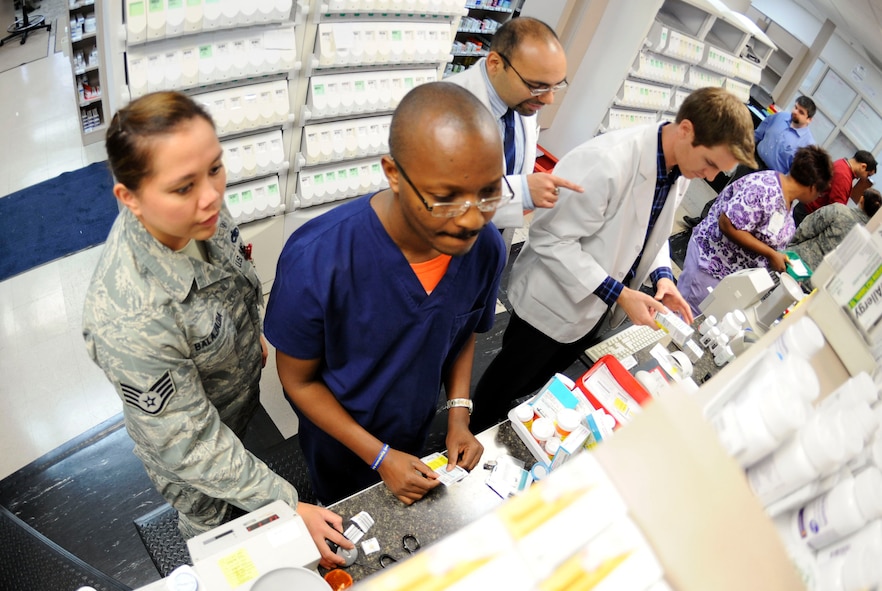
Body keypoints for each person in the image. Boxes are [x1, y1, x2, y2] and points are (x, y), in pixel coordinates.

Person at [82, 91, 351, 568]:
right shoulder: (128, 316)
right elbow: (191, 443)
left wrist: (250, 335)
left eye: (215, 169)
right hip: (190, 452)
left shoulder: (198, 216)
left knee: (237, 467)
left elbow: (236, 278)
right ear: (130, 198)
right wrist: (286, 508)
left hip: (230, 404)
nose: (211, 196)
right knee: (218, 536)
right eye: (183, 186)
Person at [264, 82, 507, 506]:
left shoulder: (485, 249)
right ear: (394, 174)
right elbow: (297, 381)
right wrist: (379, 456)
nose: (471, 218)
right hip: (339, 440)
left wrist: (458, 413)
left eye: (488, 193)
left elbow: (462, 329)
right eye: (445, 198)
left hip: (413, 423)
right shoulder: (318, 259)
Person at [469, 87, 757, 431]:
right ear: (686, 131)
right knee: (504, 385)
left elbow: (651, 232)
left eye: (718, 172)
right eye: (710, 164)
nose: (710, 177)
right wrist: (619, 293)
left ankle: (511, 424)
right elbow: (550, 237)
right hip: (554, 300)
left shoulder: (678, 168)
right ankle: (473, 432)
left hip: (597, 305)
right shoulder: (609, 161)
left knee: (541, 381)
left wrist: (663, 276)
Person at [446, 16, 583, 228]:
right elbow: (444, 201)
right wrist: (523, 192)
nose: (548, 99)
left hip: (493, 239)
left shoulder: (519, 100)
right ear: (495, 64)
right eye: (537, 86)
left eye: (555, 86)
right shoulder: (446, 111)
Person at [677, 145, 833, 314]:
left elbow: (768, 236)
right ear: (813, 187)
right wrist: (771, 254)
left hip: (731, 277)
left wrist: (779, 256)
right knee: (681, 317)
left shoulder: (786, 199)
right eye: (819, 193)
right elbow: (728, 224)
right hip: (711, 265)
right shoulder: (765, 189)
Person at [789, 188, 882, 271]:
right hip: (817, 282)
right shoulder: (867, 239)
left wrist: (790, 245)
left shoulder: (839, 210)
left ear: (862, 199)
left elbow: (806, 228)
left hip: (796, 260)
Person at [792, 150, 877, 227]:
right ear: (863, 166)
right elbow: (836, 208)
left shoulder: (842, 163)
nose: (865, 179)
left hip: (806, 209)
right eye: (868, 175)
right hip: (808, 214)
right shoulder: (844, 176)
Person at [754, 96, 816, 174]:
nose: (795, 112)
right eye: (796, 107)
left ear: (809, 119)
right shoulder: (780, 116)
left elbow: (794, 173)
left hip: (771, 178)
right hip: (753, 159)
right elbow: (757, 134)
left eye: (801, 112)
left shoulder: (808, 145)